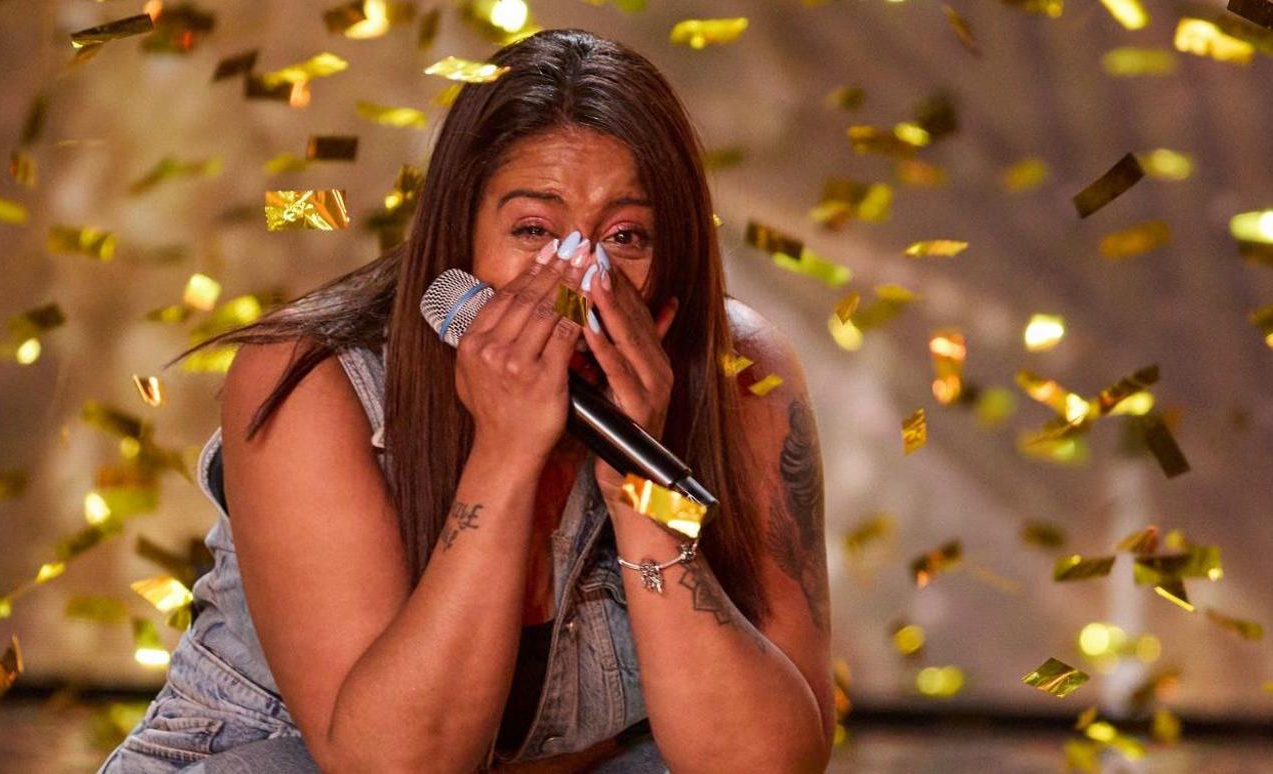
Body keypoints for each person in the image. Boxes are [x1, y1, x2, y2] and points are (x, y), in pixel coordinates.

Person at [97, 27, 833, 774]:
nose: (581, 283)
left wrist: (642, 497)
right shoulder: (311, 378)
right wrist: (506, 453)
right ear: (460, 245)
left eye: (624, 236)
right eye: (534, 230)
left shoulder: (742, 375)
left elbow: (768, 765)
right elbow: (392, 766)